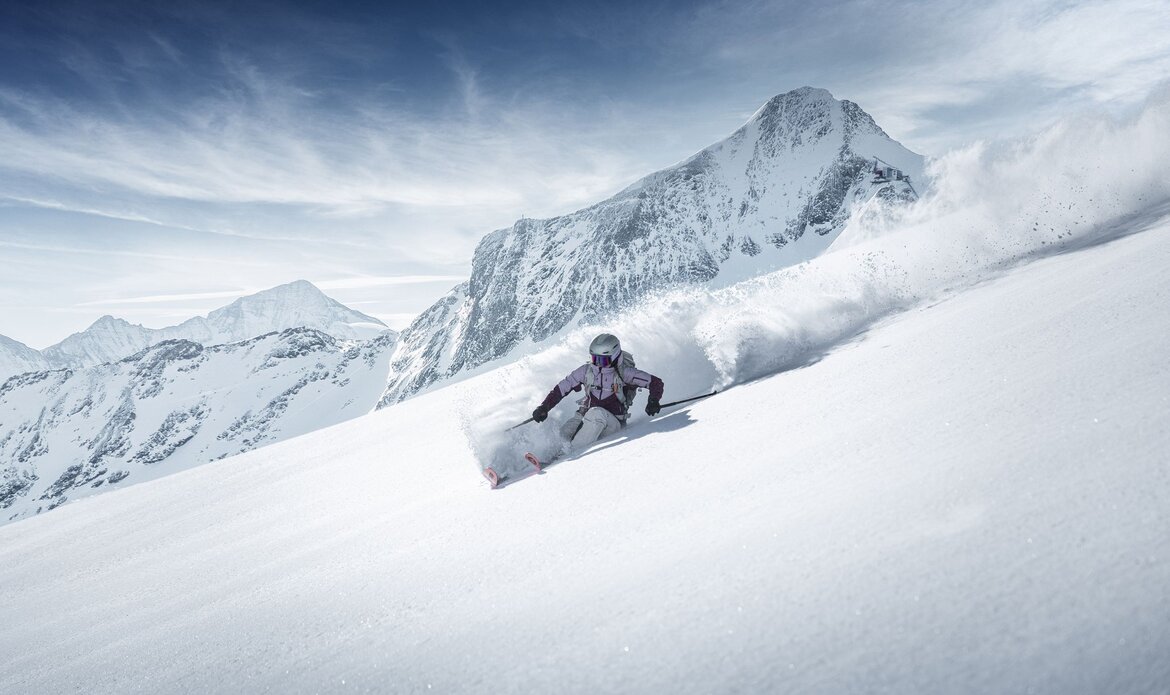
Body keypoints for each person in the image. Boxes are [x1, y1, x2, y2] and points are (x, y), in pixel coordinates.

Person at [531, 333, 664, 452]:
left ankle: (569, 455)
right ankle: (549, 456)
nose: (599, 364)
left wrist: (653, 400)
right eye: (595, 359)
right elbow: (562, 388)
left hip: (613, 424)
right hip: (585, 416)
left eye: (603, 360)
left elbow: (655, 382)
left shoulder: (625, 373)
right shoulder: (586, 371)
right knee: (566, 433)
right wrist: (544, 407)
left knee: (596, 413)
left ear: (615, 357)